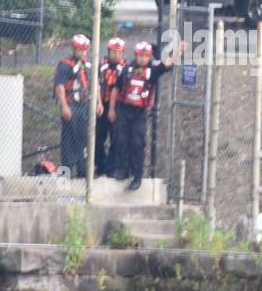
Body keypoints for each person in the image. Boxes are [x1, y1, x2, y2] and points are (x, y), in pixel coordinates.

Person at [109, 39, 180, 190]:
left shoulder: (152, 71)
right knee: (121, 140)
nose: (143, 58)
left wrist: (178, 50)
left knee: (137, 143)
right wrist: (111, 109)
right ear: (135, 55)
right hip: (123, 109)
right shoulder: (126, 69)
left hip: (139, 112)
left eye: (146, 56)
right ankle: (122, 170)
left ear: (149, 57)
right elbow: (115, 89)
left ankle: (137, 175)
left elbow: (167, 64)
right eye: (140, 55)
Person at [54, 34, 93, 178]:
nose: (83, 53)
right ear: (74, 49)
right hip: (71, 107)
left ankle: (83, 174)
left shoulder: (88, 65)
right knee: (69, 143)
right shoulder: (66, 65)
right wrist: (64, 106)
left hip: (84, 107)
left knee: (83, 140)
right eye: (80, 50)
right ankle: (65, 176)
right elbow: (60, 86)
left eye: (85, 50)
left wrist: (98, 103)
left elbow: (95, 85)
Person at [94, 38, 127, 178]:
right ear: (109, 52)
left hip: (118, 107)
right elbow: (96, 83)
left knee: (116, 138)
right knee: (98, 137)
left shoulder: (126, 67)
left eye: (119, 52)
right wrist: (98, 103)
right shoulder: (101, 65)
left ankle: (111, 168)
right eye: (114, 52)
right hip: (102, 105)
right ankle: (100, 166)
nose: (117, 55)